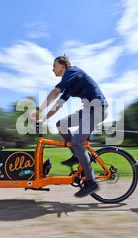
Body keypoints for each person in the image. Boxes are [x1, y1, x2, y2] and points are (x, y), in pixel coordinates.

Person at [30, 55, 108, 198]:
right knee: (61, 124)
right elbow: (58, 105)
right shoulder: (70, 83)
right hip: (87, 111)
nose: (52, 69)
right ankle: (79, 155)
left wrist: (39, 110)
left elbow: (55, 92)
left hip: (97, 110)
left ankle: (91, 182)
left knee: (77, 142)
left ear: (62, 65)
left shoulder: (72, 72)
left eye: (54, 65)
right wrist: (43, 120)